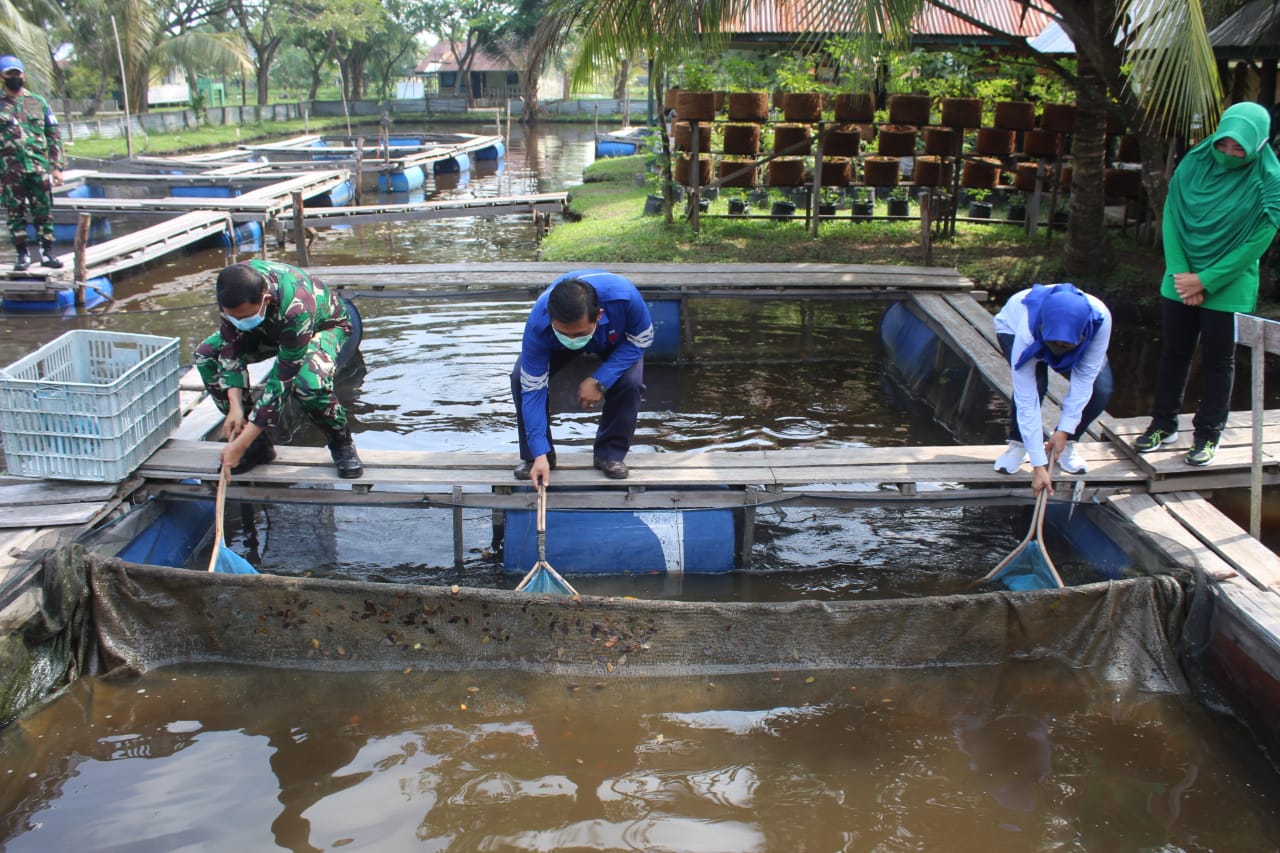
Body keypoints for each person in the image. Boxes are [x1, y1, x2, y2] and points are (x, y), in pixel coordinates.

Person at [1135, 101, 1280, 467]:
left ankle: (1207, 435)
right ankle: (1162, 424)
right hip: (1180, 279)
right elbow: (1171, 214)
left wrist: (1206, 280)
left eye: (1239, 149)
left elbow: (1257, 243)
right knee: (1174, 354)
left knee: (1219, 361)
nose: (1229, 154)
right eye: (1224, 144)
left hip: (1228, 285)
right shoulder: (1194, 162)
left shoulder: (1270, 180)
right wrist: (1184, 274)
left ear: (1259, 145)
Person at [195, 259, 364, 479]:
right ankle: (257, 447)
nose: (237, 321)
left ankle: (342, 443)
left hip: (322, 327)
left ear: (264, 299)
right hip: (266, 327)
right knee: (206, 354)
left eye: (244, 316)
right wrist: (234, 405)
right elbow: (230, 348)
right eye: (232, 317)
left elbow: (281, 381)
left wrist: (238, 444)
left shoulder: (297, 306)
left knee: (308, 385)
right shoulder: (233, 289)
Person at [511, 269, 653, 485]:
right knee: (519, 378)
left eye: (577, 334)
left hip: (616, 340)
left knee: (630, 383)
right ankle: (538, 457)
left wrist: (600, 380)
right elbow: (533, 388)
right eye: (564, 333)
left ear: (599, 315)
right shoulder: (538, 324)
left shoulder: (625, 297)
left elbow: (642, 338)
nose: (571, 339)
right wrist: (538, 453)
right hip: (554, 346)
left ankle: (609, 455)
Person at [992, 283, 1114, 494]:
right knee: (1037, 384)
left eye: (1065, 346)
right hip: (1012, 328)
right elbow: (1026, 396)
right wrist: (1038, 465)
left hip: (1077, 339)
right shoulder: (1027, 329)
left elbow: (1084, 379)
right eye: (1054, 344)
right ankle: (1019, 444)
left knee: (1101, 390)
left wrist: (1064, 430)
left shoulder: (1100, 319)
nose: (1058, 351)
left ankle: (1067, 443)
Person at [0, 55, 64, 272]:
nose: (14, 77)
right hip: (9, 171)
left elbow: (53, 135)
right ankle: (22, 256)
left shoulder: (38, 102)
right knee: (15, 214)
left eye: (17, 73)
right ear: (2, 76)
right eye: (10, 73)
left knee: (43, 212)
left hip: (38, 168)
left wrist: (56, 167)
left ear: (23, 75)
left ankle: (47, 254)